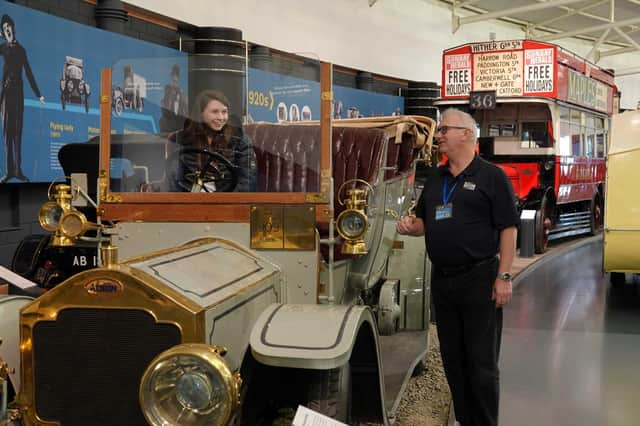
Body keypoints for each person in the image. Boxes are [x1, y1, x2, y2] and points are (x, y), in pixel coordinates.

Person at [397, 108, 518, 426]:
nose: (438, 136)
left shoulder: (492, 177)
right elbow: (424, 221)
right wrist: (412, 226)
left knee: (481, 364)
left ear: (466, 133)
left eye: (444, 130)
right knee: (454, 361)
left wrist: (504, 276)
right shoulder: (436, 179)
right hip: (444, 282)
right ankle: (465, 421)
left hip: (480, 280)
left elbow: (508, 228)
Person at [166, 89, 256, 192]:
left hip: (228, 203)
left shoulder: (240, 140)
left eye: (224, 112)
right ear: (200, 114)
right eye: (215, 112)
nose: (221, 117)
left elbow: (248, 180)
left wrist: (228, 204)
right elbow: (173, 180)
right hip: (191, 203)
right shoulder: (181, 139)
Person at [0, 14, 45, 183]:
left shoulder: (21, 50)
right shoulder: (3, 48)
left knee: (17, 132)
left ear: (13, 28)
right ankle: (9, 171)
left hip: (17, 94)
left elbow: (29, 72)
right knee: (7, 133)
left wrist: (38, 94)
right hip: (5, 94)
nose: (8, 30)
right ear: (3, 32)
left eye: (9, 27)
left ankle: (18, 171)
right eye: (4, 29)